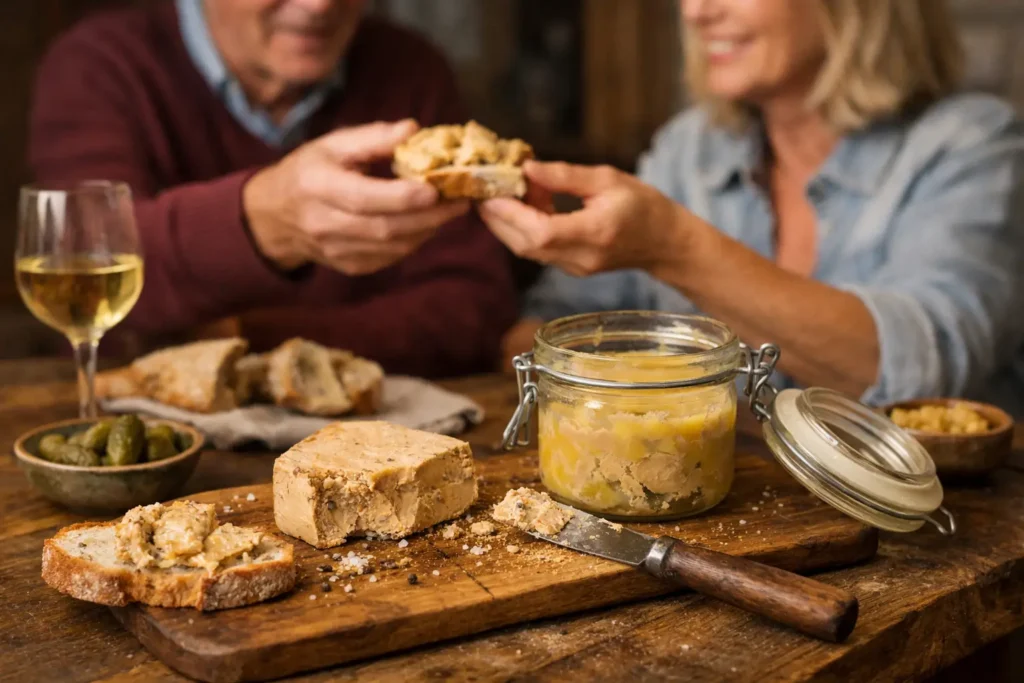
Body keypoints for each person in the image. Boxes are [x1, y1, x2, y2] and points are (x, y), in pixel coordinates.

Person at [484, 0, 1024, 414]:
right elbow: (542, 334)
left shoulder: (972, 144)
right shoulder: (688, 148)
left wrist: (674, 247)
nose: (697, 11)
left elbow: (926, 379)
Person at [28, 0, 518, 378]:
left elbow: (474, 307)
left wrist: (250, 337)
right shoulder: (98, 65)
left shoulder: (411, 69)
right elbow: (86, 273)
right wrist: (262, 224)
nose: (320, 5)